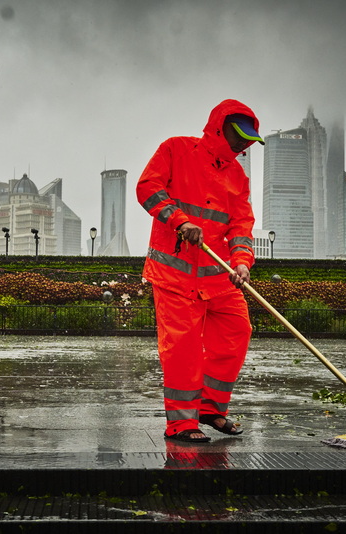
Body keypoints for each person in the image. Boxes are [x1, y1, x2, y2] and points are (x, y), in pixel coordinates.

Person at [136, 99, 263, 442]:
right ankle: (181, 423)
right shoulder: (176, 149)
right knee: (183, 349)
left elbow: (240, 225)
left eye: (248, 140)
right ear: (219, 127)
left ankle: (210, 410)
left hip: (219, 277)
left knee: (237, 333)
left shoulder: (237, 175)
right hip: (175, 276)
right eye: (238, 136)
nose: (242, 144)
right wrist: (179, 220)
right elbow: (147, 188)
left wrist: (241, 262)